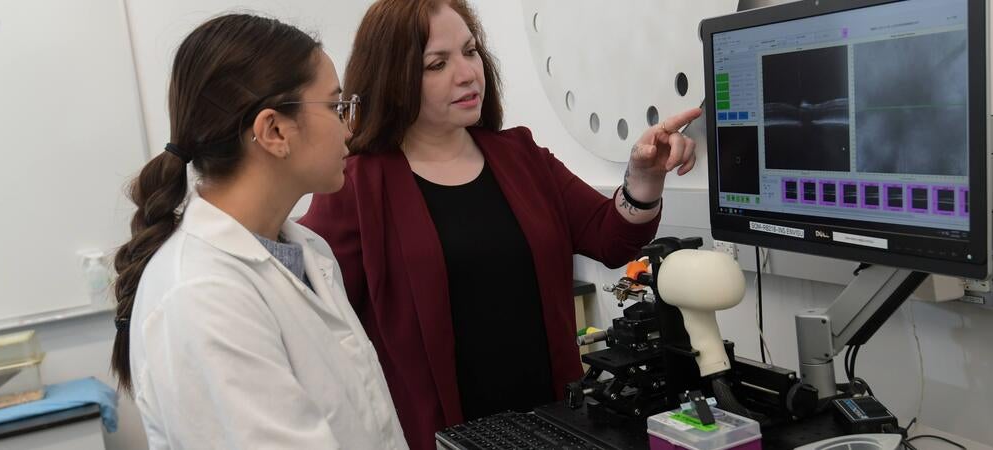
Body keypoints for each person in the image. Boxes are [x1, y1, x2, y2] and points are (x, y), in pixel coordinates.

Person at [299, 1, 701, 447]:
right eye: (437, 64)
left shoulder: (521, 156)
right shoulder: (356, 185)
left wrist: (644, 178)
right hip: (439, 437)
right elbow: (318, 326)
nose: (467, 73)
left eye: (470, 51)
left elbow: (611, 237)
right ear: (392, 79)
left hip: (549, 425)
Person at [109, 14, 406, 449]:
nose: (349, 128)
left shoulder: (306, 251)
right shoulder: (202, 294)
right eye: (335, 107)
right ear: (274, 131)